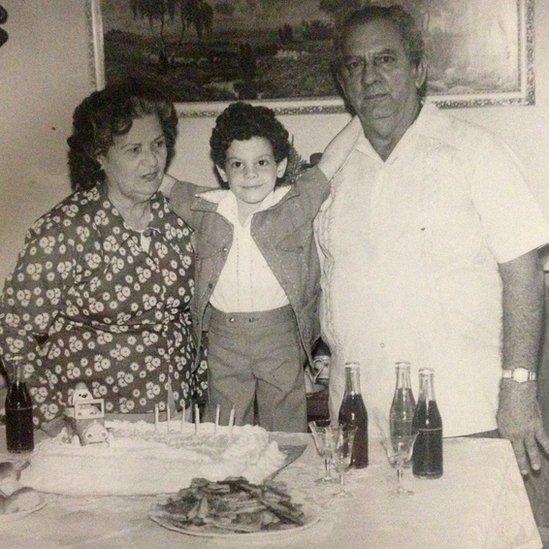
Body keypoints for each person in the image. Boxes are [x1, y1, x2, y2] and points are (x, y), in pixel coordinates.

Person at [316, 4, 549, 477]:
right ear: (344, 84)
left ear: (418, 70)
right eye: (356, 66)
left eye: (386, 60)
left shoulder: (477, 152)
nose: (371, 77)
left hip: (465, 417)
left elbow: (524, 274)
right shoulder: (329, 175)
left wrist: (521, 388)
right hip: (359, 426)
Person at [0, 79, 206, 427]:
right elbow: (14, 328)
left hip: (178, 413)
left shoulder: (183, 219)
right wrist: (50, 416)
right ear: (99, 156)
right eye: (133, 150)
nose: (152, 161)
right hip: (94, 425)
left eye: (158, 144)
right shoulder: (65, 230)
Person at [163, 102, 334, 432]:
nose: (250, 174)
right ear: (223, 172)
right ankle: (229, 482)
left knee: (284, 421)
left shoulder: (292, 205)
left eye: (261, 162)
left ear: (281, 165)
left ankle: (285, 479)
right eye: (237, 164)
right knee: (225, 426)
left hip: (280, 334)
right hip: (225, 337)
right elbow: (168, 185)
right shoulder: (208, 207)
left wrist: (362, 115)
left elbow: (329, 166)